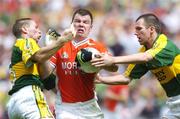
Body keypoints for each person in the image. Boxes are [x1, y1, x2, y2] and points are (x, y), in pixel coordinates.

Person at [91, 13, 180, 119]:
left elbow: (146, 57)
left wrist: (113, 59)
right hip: (174, 105)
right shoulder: (143, 51)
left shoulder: (165, 45)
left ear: (151, 29)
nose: (135, 33)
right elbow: (126, 78)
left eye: (139, 29)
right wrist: (100, 79)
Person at [49, 9, 118, 119]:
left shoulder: (97, 48)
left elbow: (114, 68)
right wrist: (49, 48)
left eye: (85, 22)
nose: (81, 24)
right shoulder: (60, 45)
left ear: (90, 28)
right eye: (77, 21)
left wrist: (101, 61)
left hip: (90, 106)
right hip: (65, 108)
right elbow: (46, 71)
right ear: (72, 24)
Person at [7, 18, 73, 119]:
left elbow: (48, 82)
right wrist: (61, 41)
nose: (39, 31)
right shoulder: (26, 41)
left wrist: (52, 46)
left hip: (14, 104)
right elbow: (39, 56)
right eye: (36, 27)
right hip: (29, 97)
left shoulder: (24, 51)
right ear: (25, 29)